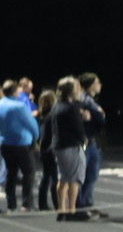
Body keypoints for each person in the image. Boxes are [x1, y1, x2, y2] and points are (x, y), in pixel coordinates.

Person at [46, 77, 89, 221]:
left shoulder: (57, 105)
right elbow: (76, 127)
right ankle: (71, 210)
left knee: (63, 177)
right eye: (76, 86)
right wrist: (84, 139)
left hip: (58, 145)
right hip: (70, 146)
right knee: (74, 179)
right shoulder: (71, 108)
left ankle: (61, 208)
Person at [1, 80, 40, 212]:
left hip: (5, 143)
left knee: (10, 173)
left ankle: (11, 204)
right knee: (28, 173)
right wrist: (36, 134)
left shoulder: (0, 104)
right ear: (14, 91)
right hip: (22, 144)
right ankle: (27, 203)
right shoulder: (19, 106)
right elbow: (31, 123)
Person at [77, 73, 106, 214]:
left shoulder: (91, 101)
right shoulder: (83, 100)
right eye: (97, 82)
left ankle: (87, 203)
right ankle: (81, 206)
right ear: (89, 85)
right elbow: (99, 118)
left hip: (93, 141)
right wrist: (98, 113)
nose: (100, 85)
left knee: (92, 174)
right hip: (85, 142)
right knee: (83, 175)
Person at [34, 87, 58, 212]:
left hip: (43, 148)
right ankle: (57, 203)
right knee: (55, 177)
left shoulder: (41, 114)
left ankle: (42, 203)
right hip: (50, 148)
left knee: (46, 176)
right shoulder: (52, 115)